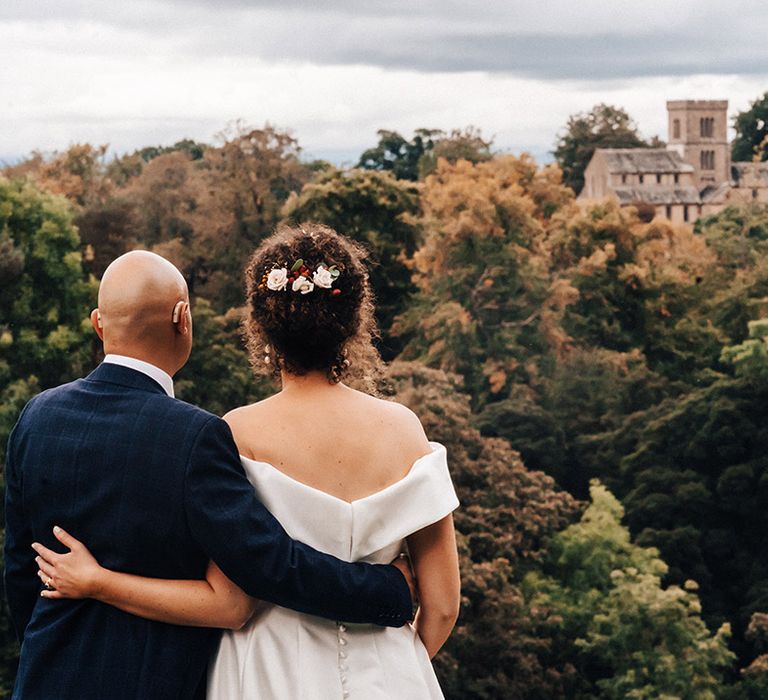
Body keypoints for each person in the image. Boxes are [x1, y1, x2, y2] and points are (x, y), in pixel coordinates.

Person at [32, 224, 461, 699]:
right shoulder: (405, 429)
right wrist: (395, 664)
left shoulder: (234, 432)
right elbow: (442, 607)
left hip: (265, 672)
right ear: (353, 321)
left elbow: (233, 596)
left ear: (263, 327)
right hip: (390, 671)